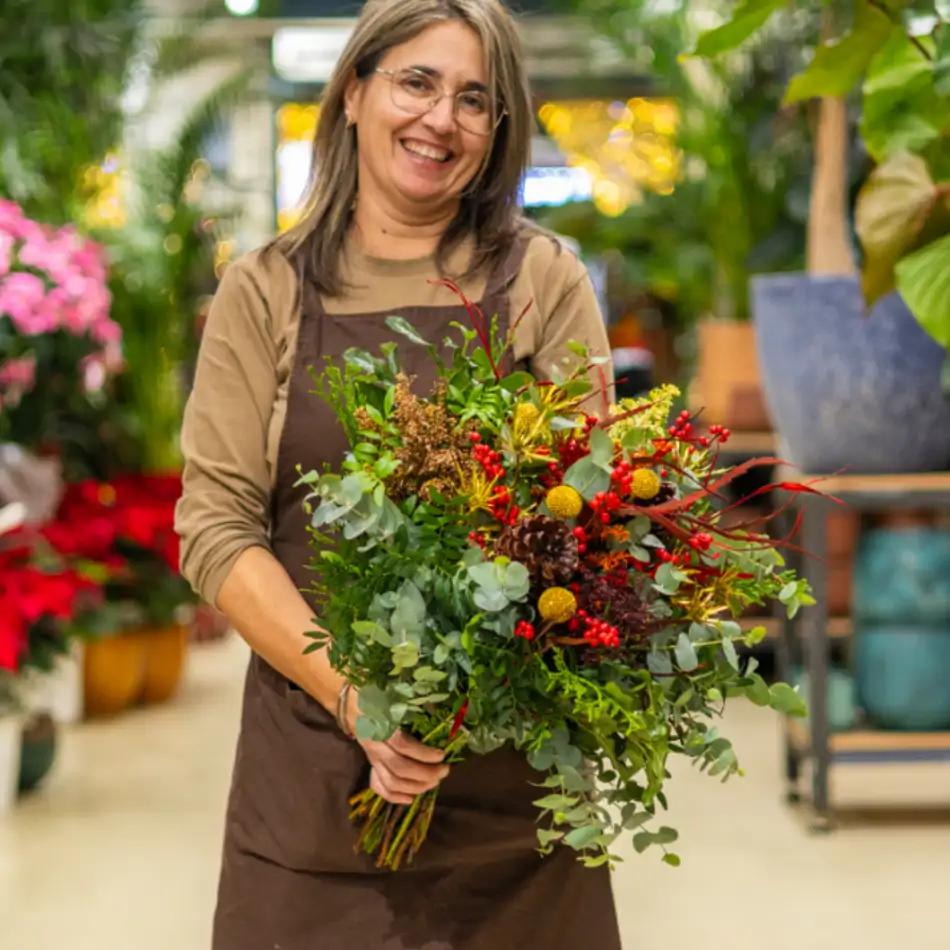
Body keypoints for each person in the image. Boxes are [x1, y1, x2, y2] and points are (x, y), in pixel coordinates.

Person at [174, 1, 620, 947]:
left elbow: (592, 521)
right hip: (313, 792)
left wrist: (468, 678)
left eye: (474, 100)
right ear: (353, 92)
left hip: (516, 804)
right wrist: (357, 697)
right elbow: (215, 528)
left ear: (496, 131)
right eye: (417, 81)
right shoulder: (265, 290)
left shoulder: (543, 279)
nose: (440, 120)